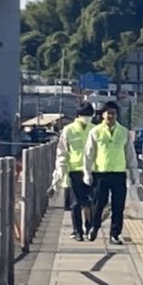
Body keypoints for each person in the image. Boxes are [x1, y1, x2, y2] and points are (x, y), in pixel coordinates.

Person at [83, 100, 139, 245]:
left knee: (118, 205)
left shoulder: (124, 132)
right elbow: (89, 154)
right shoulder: (95, 132)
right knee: (98, 203)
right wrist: (87, 172)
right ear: (102, 115)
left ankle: (115, 234)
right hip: (100, 173)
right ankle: (94, 227)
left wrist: (133, 173)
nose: (111, 116)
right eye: (108, 113)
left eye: (113, 113)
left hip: (119, 173)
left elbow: (130, 154)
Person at [49, 103, 96, 241]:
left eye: (89, 115)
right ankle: (77, 231)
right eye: (84, 115)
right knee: (75, 203)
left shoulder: (95, 129)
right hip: (74, 170)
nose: (87, 118)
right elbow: (62, 151)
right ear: (78, 115)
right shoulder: (68, 130)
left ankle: (89, 226)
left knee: (91, 202)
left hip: (92, 170)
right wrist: (60, 169)